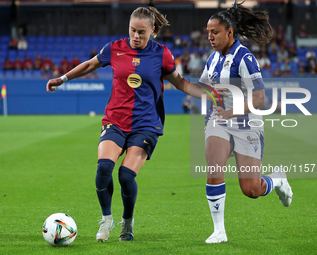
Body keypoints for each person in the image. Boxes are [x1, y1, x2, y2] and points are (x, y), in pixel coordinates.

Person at [46, 6, 207, 243]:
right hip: (115, 121)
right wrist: (62, 78)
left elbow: (181, 83)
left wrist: (211, 96)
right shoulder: (114, 48)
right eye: (133, 30)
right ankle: (106, 219)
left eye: (142, 32)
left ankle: (128, 222)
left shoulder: (162, 54)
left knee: (125, 176)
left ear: (152, 30)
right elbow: (90, 65)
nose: (136, 36)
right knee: (103, 169)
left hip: (146, 125)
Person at [200, 1, 293, 244]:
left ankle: (277, 180)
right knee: (214, 168)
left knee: (251, 190)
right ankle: (219, 231)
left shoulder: (245, 58)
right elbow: (206, 89)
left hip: (246, 125)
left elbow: (260, 98)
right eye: (208, 32)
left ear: (230, 32)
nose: (209, 36)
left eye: (215, 32)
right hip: (220, 122)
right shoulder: (212, 59)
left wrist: (231, 112)